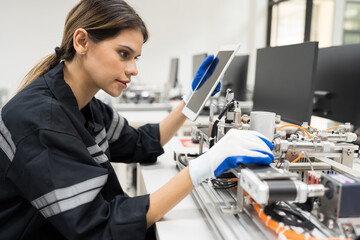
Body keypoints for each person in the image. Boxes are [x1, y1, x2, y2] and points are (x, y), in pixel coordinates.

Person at [0, 0, 274, 239]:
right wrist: (205, 166)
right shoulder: (41, 119)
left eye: (136, 57)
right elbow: (100, 227)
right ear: (82, 42)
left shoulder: (83, 104)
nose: (133, 69)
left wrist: (191, 101)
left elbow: (142, 143)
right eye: (123, 54)